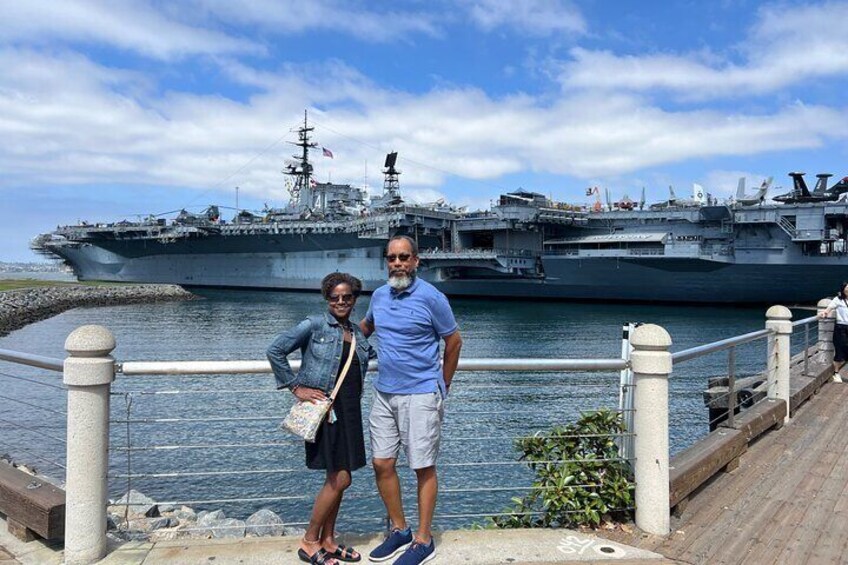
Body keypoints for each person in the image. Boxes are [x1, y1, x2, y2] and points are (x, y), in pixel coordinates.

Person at [360, 235, 462, 565]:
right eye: (392, 258)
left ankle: (423, 538)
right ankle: (399, 530)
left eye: (404, 257)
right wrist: (332, 330)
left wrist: (442, 387)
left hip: (420, 393)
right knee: (382, 462)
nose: (398, 263)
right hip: (384, 392)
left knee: (422, 466)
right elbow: (366, 327)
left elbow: (454, 342)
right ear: (386, 262)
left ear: (416, 261)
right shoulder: (378, 296)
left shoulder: (432, 297)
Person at [268, 272, 373, 565]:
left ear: (355, 299)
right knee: (340, 478)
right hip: (326, 412)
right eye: (334, 297)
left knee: (341, 478)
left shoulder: (358, 333)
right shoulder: (314, 325)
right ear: (327, 299)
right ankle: (309, 540)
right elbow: (275, 349)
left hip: (350, 410)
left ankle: (328, 540)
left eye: (347, 297)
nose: (340, 301)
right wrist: (295, 386)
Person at [818, 281, 848, 383]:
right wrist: (825, 313)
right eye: (846, 288)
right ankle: (836, 373)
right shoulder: (838, 300)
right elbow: (829, 308)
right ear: (843, 289)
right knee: (840, 350)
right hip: (841, 328)